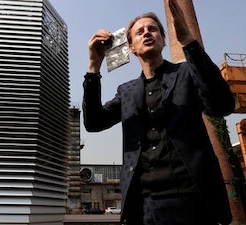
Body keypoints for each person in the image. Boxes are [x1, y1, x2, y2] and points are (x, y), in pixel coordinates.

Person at [82, 0, 234, 224]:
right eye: (140, 31)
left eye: (153, 29)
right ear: (131, 47)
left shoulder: (187, 74)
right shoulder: (127, 91)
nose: (147, 33)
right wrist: (94, 67)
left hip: (194, 201)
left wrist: (188, 41)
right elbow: (94, 123)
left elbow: (222, 106)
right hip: (145, 207)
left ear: (163, 39)